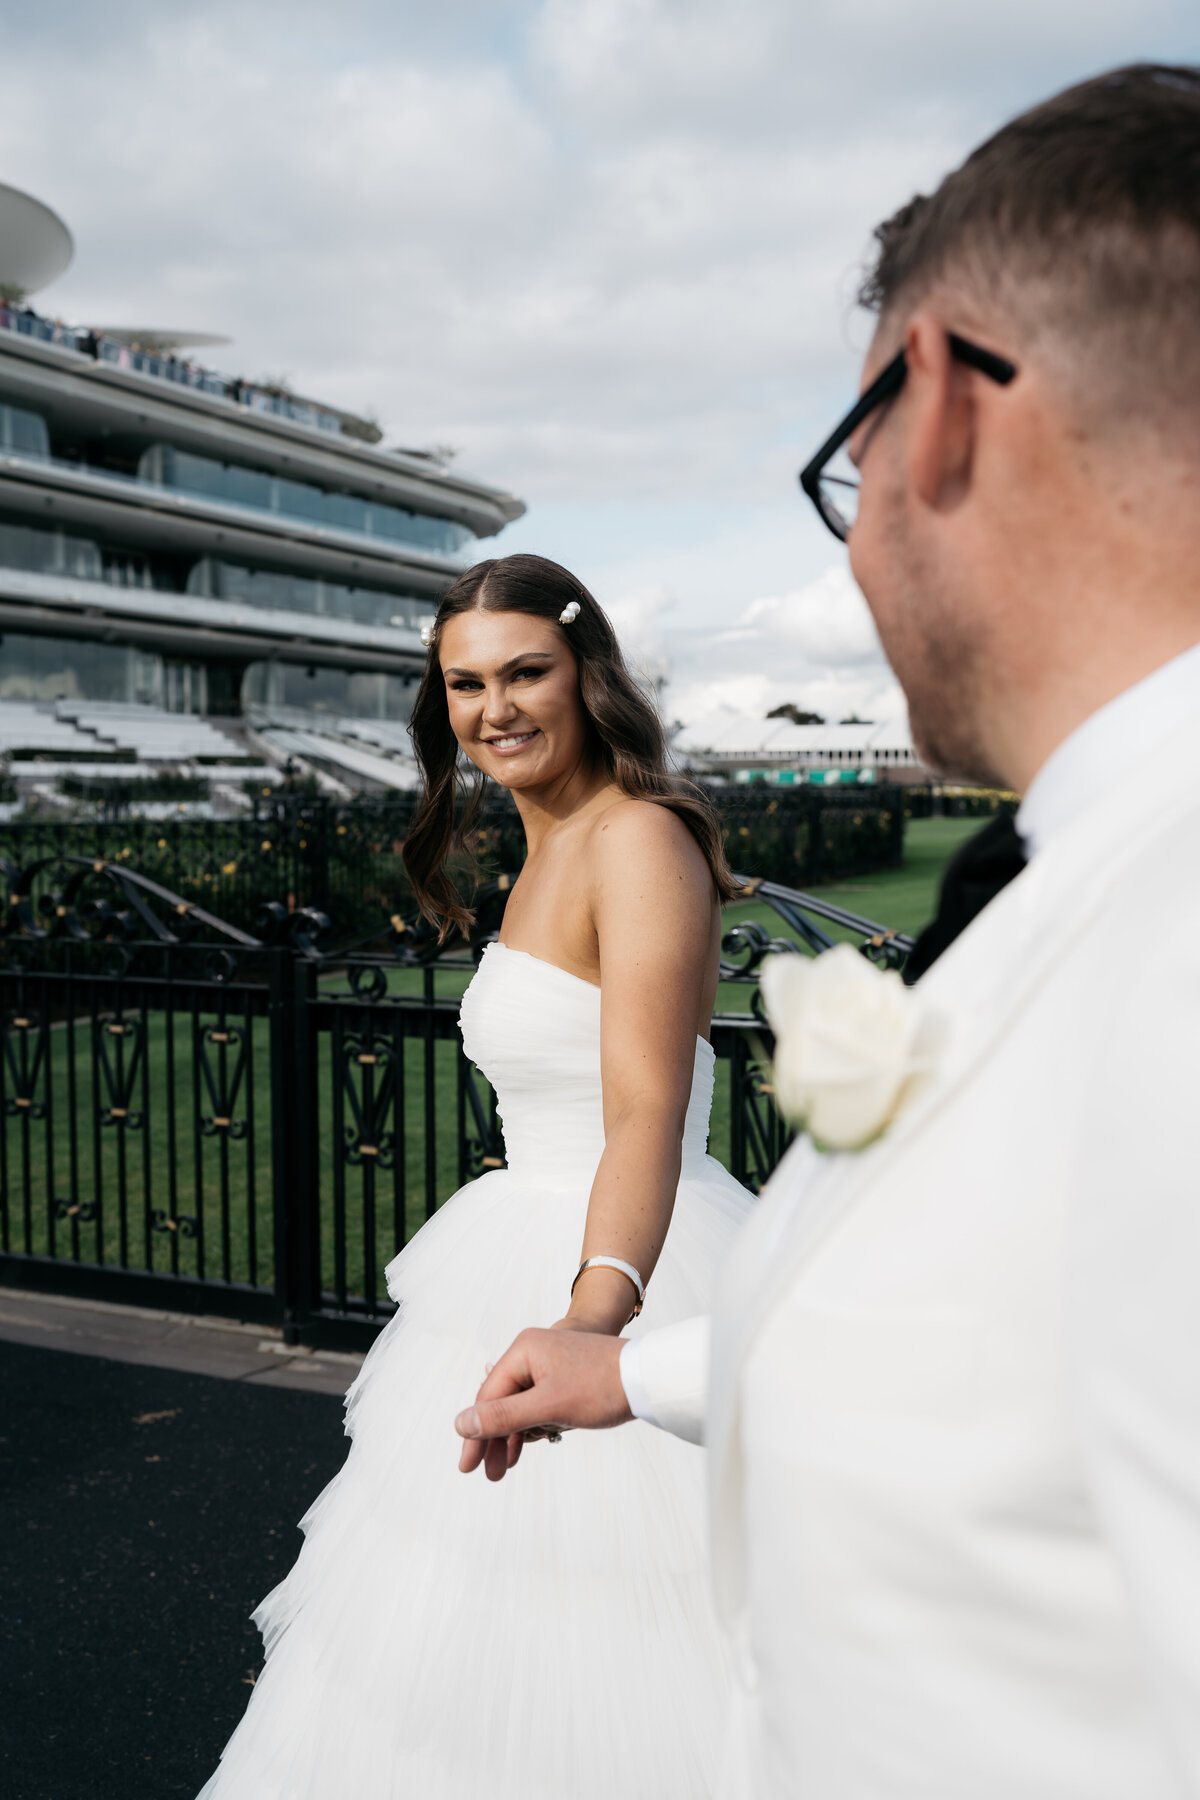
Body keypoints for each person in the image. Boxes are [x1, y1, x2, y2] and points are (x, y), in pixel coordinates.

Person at [456, 64, 1200, 1799]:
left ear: (931, 407)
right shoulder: (1092, 863)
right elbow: (1006, 1327)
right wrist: (636, 1375)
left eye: (842, 464)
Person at [196, 552, 754, 1799]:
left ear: (589, 673)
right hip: (517, 1240)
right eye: (463, 685)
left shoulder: (638, 840)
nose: (492, 708)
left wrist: (594, 1318)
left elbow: (648, 1110)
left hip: (622, 1263)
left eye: (524, 673)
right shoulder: (545, 849)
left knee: (628, 1658)